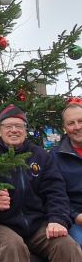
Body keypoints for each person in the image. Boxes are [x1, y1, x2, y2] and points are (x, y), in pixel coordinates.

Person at [0, 104, 82, 262]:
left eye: (19, 126)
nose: (14, 130)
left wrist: (57, 219)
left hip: (37, 224)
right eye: (8, 126)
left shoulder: (41, 156)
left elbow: (56, 192)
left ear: (25, 131)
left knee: (66, 246)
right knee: (12, 246)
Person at [51, 102, 82, 246]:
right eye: (71, 123)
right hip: (75, 219)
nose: (77, 127)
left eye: (81, 121)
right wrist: (76, 215)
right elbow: (55, 195)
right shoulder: (55, 157)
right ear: (65, 128)